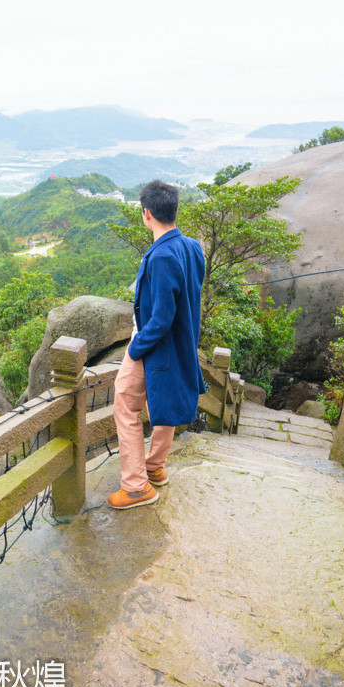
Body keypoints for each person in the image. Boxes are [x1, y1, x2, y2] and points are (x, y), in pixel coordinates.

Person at [108, 180, 205, 510]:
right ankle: (154, 466)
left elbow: (162, 318)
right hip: (181, 344)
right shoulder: (191, 247)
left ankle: (136, 487)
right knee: (165, 401)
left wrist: (136, 349)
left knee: (124, 402)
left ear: (146, 214)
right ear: (174, 209)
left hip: (153, 344)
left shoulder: (162, 256)